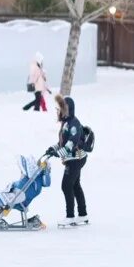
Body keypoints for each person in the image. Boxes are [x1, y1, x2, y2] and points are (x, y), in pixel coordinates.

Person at [46, 94, 89, 227]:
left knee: (66, 185)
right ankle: (82, 215)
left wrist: (58, 153)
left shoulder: (74, 124)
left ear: (67, 110)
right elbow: (63, 141)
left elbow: (71, 144)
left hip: (76, 158)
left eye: (60, 109)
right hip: (73, 158)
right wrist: (52, 148)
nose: (58, 111)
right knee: (75, 185)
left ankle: (70, 216)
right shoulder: (66, 123)